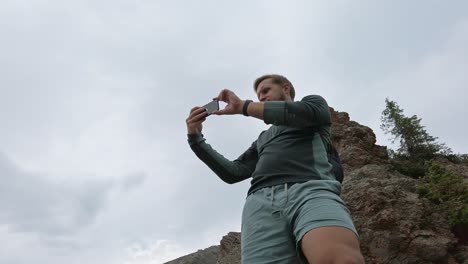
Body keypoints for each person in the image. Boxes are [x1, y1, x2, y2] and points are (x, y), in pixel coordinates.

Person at [185, 74, 364, 264]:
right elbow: (233, 172)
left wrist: (243, 107)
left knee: (340, 259)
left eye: (266, 90)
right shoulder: (263, 138)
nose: (261, 97)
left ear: (286, 88)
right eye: (258, 94)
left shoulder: (313, 105)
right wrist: (195, 139)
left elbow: (302, 113)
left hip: (310, 189)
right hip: (259, 204)